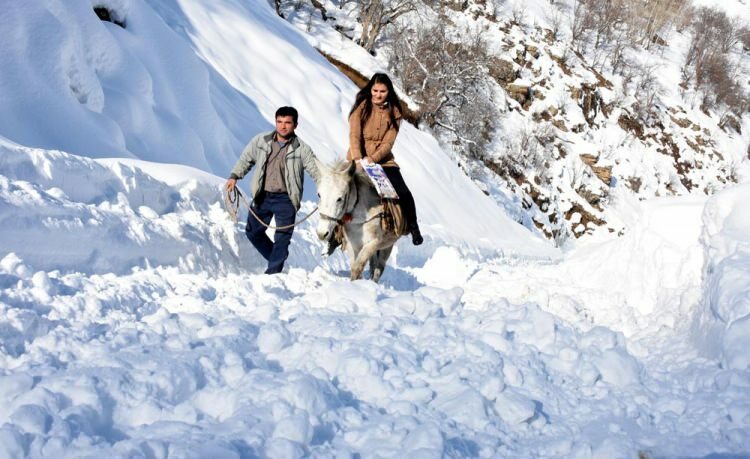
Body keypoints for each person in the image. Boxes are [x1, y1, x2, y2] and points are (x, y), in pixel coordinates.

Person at [225, 106, 320, 274]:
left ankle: (273, 273)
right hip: (263, 196)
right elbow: (246, 159)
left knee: (282, 239)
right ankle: (276, 259)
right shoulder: (261, 141)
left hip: (286, 199)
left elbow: (316, 171)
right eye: (279, 122)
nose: (283, 126)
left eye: (287, 123)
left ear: (295, 125)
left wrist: (324, 189)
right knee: (253, 233)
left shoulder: (302, 149)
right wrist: (234, 176)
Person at [347, 73, 423, 245]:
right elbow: (354, 135)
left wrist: (373, 159)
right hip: (357, 157)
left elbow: (388, 143)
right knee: (342, 191)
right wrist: (358, 159)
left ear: (389, 92)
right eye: (375, 90)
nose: (378, 95)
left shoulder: (395, 112)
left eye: (382, 91)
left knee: (403, 192)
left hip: (382, 160)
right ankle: (336, 235)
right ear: (370, 89)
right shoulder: (362, 106)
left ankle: (413, 226)